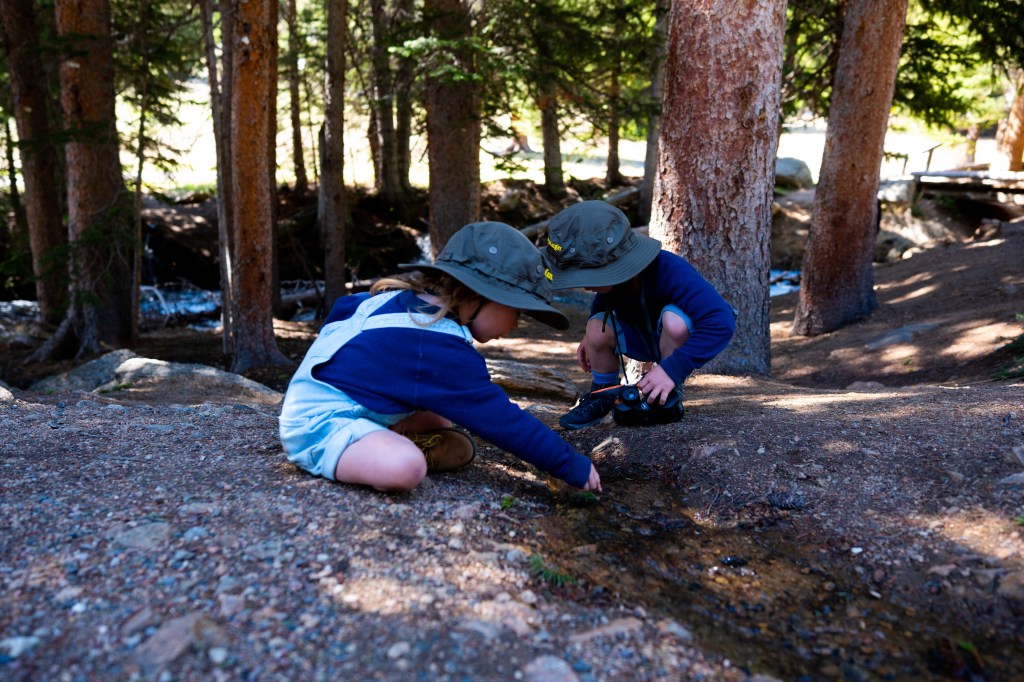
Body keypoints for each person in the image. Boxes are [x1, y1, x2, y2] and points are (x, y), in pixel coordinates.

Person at [279, 221, 602, 493]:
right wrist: (568, 463)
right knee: (405, 467)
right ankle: (379, 447)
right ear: (483, 294)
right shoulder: (434, 346)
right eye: (517, 311)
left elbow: (342, 312)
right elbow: (500, 419)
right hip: (318, 427)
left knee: (439, 420)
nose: (516, 324)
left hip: (328, 403)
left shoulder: (394, 300)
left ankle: (381, 435)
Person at [544, 201, 736, 430]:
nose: (585, 286)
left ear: (616, 264)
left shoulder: (670, 269)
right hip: (637, 336)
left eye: (588, 277)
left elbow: (721, 321)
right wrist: (590, 336)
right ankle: (603, 394)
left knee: (675, 322)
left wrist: (671, 370)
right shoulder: (612, 282)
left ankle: (667, 394)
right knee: (596, 327)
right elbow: (603, 303)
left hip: (673, 341)